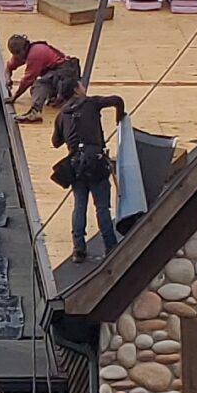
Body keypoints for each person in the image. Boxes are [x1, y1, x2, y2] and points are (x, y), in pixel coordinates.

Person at [52, 77, 126, 262]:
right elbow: (117, 100)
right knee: (101, 207)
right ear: (76, 89)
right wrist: (120, 118)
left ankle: (78, 249)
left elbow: (56, 142)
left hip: (76, 165)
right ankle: (110, 246)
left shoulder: (62, 115)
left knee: (79, 205)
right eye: (80, 85)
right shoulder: (91, 103)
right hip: (96, 162)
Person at [5, 31, 72, 116]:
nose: (17, 56)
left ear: (25, 47)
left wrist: (14, 98)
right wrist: (8, 79)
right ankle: (58, 96)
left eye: (18, 52)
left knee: (39, 85)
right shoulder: (22, 53)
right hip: (56, 74)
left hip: (65, 72)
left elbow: (27, 80)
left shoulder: (35, 54)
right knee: (34, 90)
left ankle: (35, 112)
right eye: (14, 53)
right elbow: (8, 67)